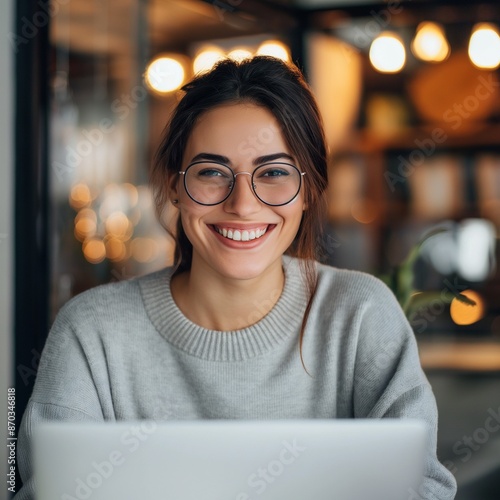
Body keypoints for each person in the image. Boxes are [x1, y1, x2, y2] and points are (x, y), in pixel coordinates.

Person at [14, 56, 457, 500]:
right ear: (174, 185)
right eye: (211, 173)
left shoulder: (360, 314)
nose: (243, 204)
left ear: (309, 191)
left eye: (275, 173)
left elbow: (424, 489)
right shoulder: (92, 332)